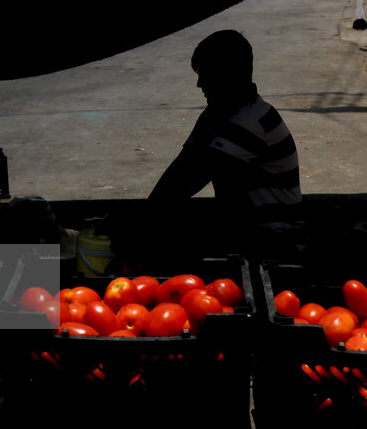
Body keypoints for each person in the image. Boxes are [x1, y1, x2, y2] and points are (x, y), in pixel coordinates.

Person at [110, 30, 302, 270]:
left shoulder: (249, 123)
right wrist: (143, 218)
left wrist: (138, 230)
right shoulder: (216, 116)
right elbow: (180, 169)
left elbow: (188, 180)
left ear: (227, 76)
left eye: (205, 75)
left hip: (272, 238)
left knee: (164, 246)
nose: (199, 84)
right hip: (244, 227)